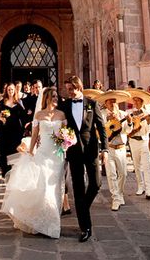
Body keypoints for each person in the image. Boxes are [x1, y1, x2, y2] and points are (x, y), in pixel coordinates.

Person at [1, 86, 67, 238]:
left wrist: (67, 144)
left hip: (57, 156)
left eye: (57, 96)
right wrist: (31, 151)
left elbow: (65, 135)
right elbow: (35, 135)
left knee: (55, 188)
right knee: (44, 188)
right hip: (43, 154)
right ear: (47, 98)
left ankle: (52, 221)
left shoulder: (61, 114)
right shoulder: (39, 114)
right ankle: (45, 223)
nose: (57, 99)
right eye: (54, 96)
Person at [60, 75, 108, 242]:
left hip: (91, 149)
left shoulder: (92, 104)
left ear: (78, 87)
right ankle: (85, 227)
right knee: (78, 187)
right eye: (67, 90)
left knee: (96, 183)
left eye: (71, 89)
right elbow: (60, 126)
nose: (70, 93)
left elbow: (101, 128)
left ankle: (82, 207)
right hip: (74, 152)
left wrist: (105, 150)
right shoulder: (65, 105)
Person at [97, 89, 131, 211]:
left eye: (114, 101)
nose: (112, 104)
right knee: (112, 174)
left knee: (123, 174)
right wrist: (108, 121)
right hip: (109, 148)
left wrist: (130, 122)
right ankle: (115, 198)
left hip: (121, 148)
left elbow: (128, 131)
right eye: (110, 101)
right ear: (105, 103)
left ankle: (120, 193)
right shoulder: (101, 114)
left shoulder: (122, 114)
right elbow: (100, 131)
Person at [126, 88, 150, 199]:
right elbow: (128, 130)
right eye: (135, 100)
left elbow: (149, 129)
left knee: (146, 166)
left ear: (142, 102)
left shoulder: (148, 113)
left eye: (139, 100)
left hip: (144, 140)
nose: (137, 102)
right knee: (137, 166)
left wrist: (147, 121)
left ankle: (149, 190)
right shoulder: (130, 113)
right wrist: (129, 122)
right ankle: (140, 186)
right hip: (133, 141)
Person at [0, 83, 27, 177]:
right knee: (6, 151)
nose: (10, 91)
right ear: (6, 91)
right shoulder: (2, 102)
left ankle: (16, 172)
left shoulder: (18, 102)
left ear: (15, 91)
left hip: (16, 131)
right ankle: (6, 172)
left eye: (12, 90)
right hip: (5, 130)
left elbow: (23, 116)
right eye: (9, 90)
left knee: (15, 150)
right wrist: (1, 118)